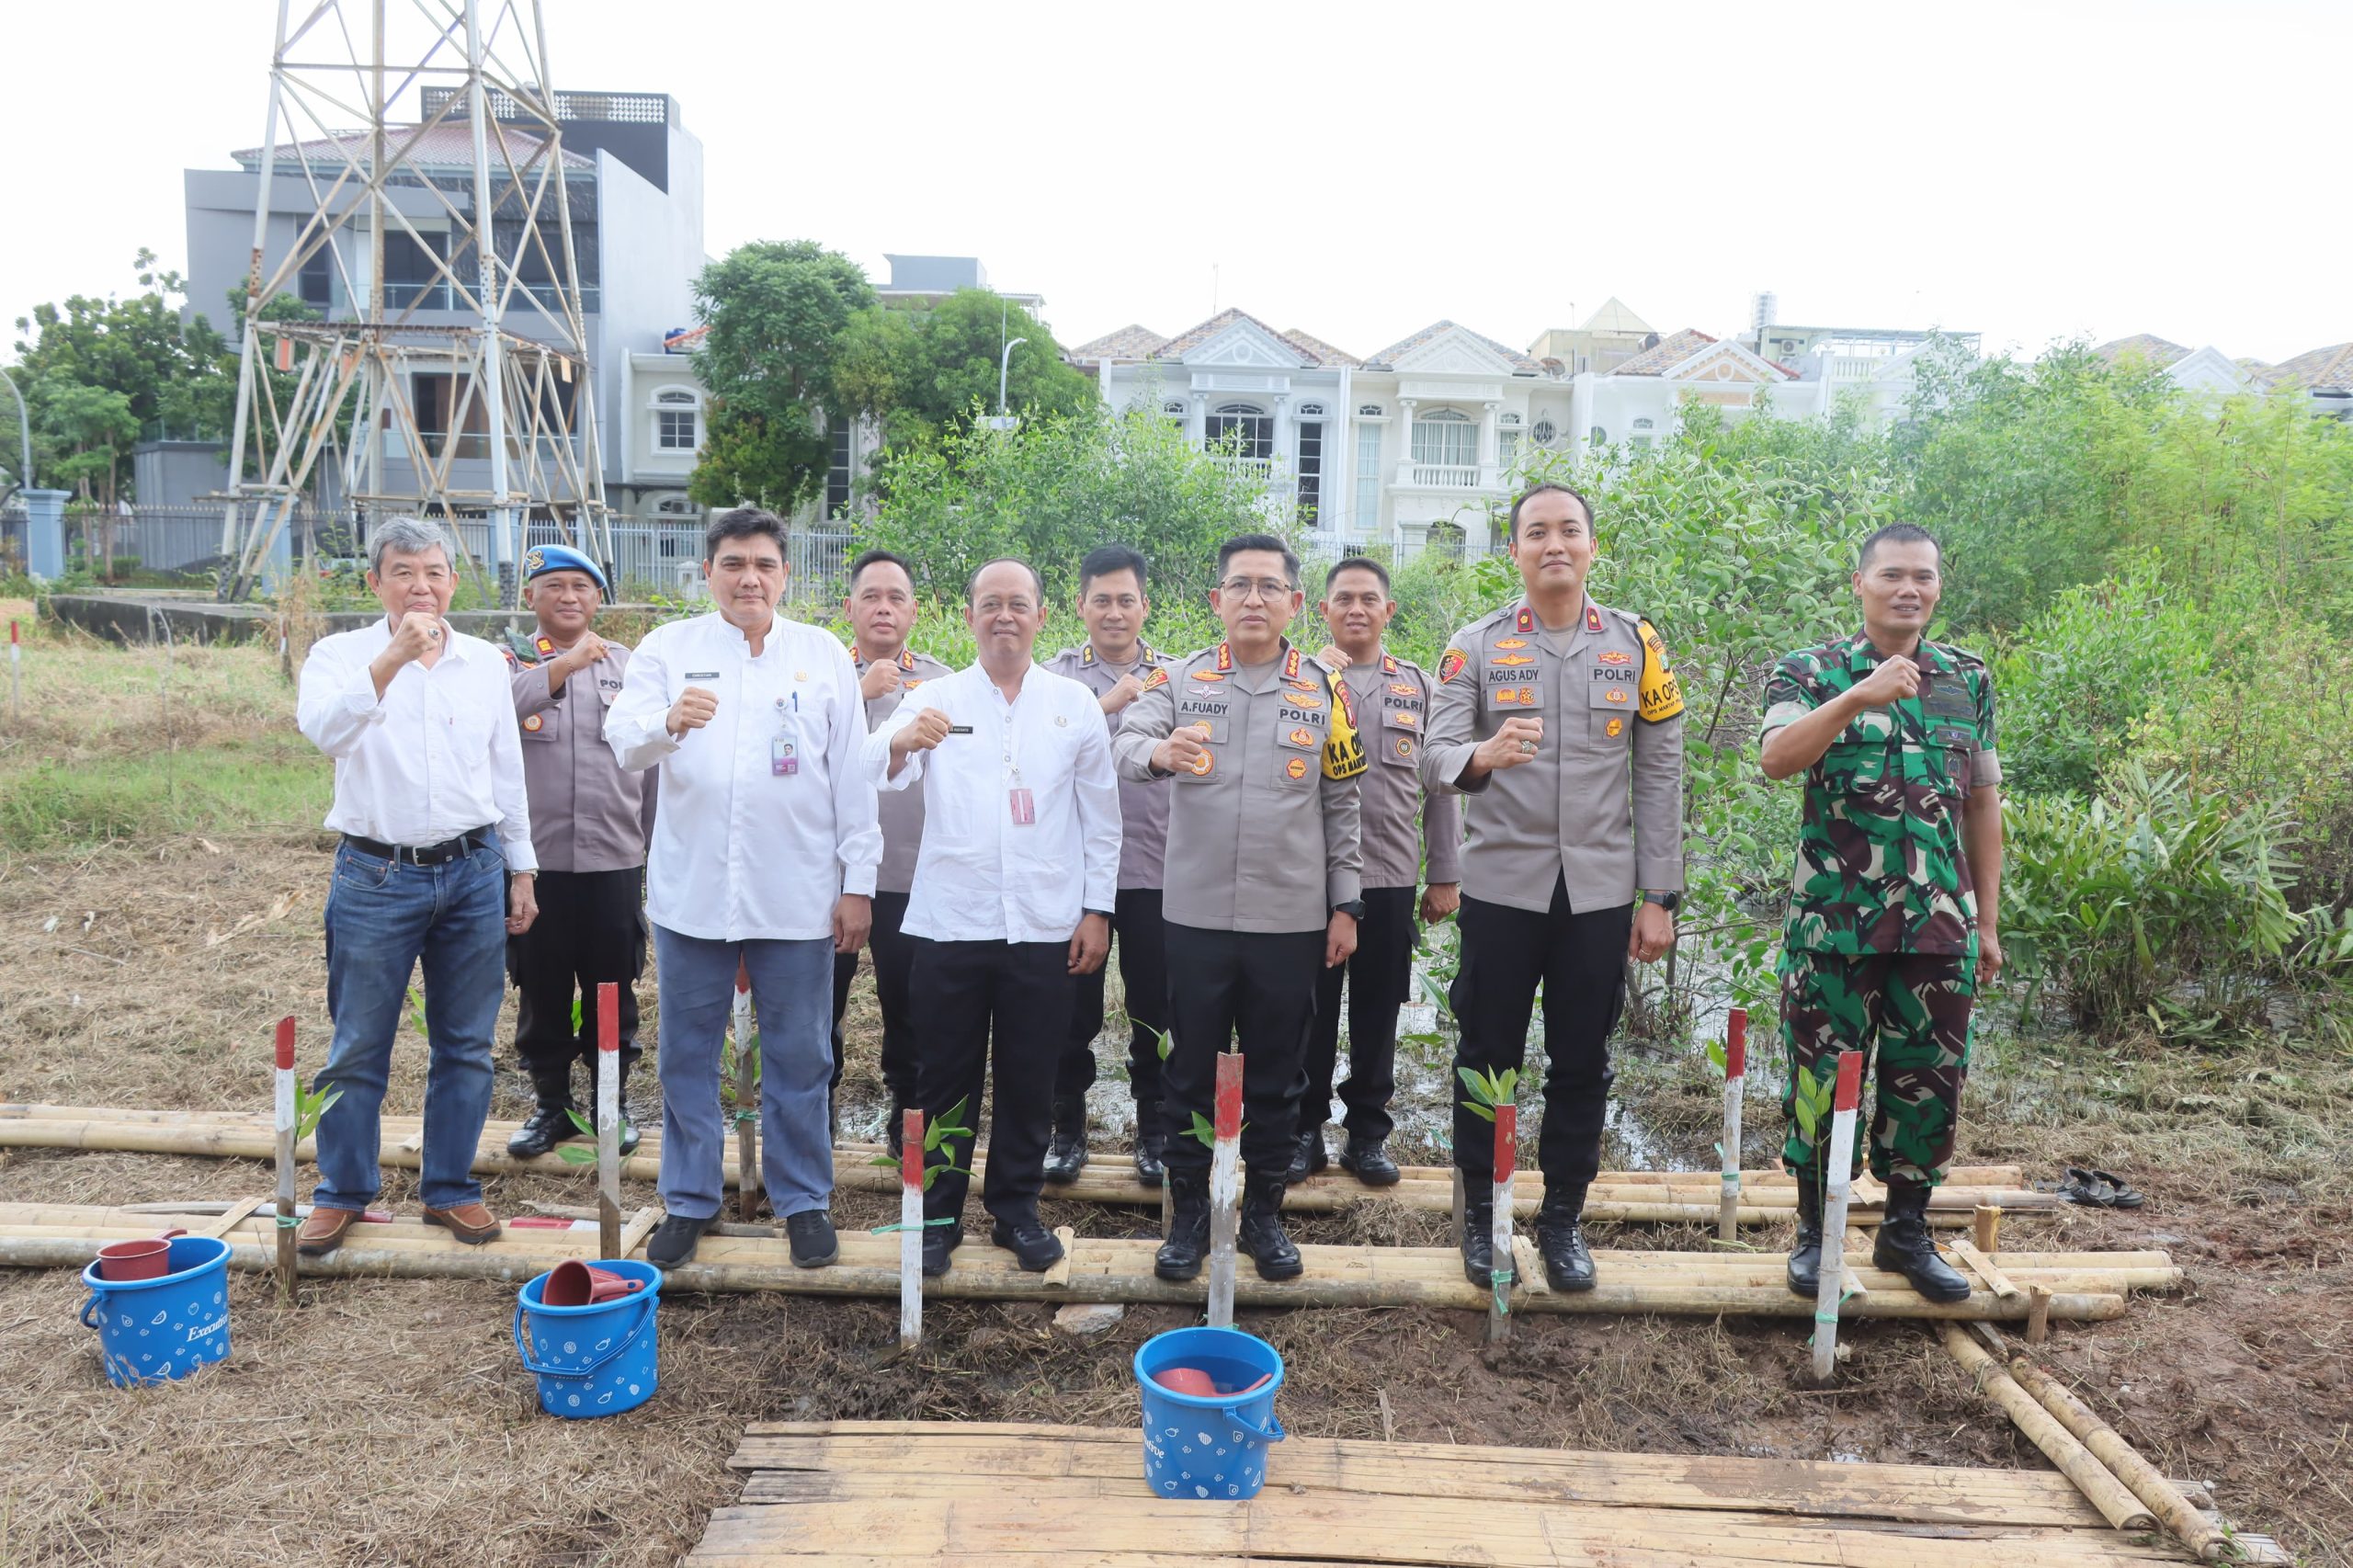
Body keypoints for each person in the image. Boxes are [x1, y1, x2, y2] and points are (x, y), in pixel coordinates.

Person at [1422, 483, 1686, 1293]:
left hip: (1600, 894)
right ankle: (1484, 1216)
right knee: (1487, 1052)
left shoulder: (1636, 645)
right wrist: (1481, 756)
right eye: (1537, 532)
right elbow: (1432, 755)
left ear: (1593, 546)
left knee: (1582, 1060)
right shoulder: (1475, 645)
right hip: (1503, 889)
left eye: (1570, 530)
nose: (1555, 545)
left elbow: (1661, 770)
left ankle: (1563, 1219)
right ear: (1516, 551)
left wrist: (1659, 895)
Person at [605, 507, 879, 1268]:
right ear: (708, 573)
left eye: (763, 563)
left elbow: (853, 779)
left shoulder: (822, 655)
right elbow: (624, 742)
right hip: (693, 895)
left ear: (786, 574)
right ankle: (689, 1200)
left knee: (800, 1054)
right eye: (733, 563)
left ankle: (802, 1201)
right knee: (687, 1055)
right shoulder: (668, 650)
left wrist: (859, 883)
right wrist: (667, 721)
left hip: (795, 894)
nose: (749, 577)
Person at [1758, 522, 2004, 1304]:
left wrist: (1987, 922)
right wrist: (1858, 695)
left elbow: (1982, 805)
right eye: (1894, 575)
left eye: (1924, 577)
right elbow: (1776, 759)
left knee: (1927, 1084)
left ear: (1938, 587)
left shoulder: (1968, 680)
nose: (1910, 589)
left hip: (1939, 927)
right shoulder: (1808, 671)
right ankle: (1816, 1234)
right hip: (1835, 926)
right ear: (1860, 583)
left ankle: (1905, 1234)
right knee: (1822, 1080)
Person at [1113, 533, 1365, 1283]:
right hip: (1191, 917)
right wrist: (1159, 754)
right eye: (1239, 586)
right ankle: (1192, 1214)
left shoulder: (1325, 690)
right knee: (1188, 1069)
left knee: (1278, 1074)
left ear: (1293, 601)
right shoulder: (1180, 678)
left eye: (1268, 586)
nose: (1253, 599)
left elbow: (1342, 802)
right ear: (1216, 600)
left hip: (1289, 920)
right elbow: (1125, 737)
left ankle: (1262, 1218)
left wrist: (1345, 903)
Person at [292, 516, 539, 1256]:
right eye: (404, 573)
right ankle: (341, 1192)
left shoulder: (486, 665)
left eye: (433, 572)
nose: (421, 586)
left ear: (453, 582)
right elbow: (326, 733)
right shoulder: (339, 655)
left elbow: (506, 772)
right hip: (375, 873)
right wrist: (391, 660)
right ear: (377, 584)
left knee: (465, 1044)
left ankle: (450, 1188)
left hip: (472, 871)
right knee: (358, 1042)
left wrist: (521, 869)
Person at [869, 558, 1120, 1276]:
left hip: (1044, 925)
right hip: (953, 922)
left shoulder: (1073, 705)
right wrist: (899, 742)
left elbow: (1101, 822)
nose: (1004, 616)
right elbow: (873, 765)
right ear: (969, 614)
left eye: (1018, 604)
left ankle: (1017, 1209)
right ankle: (938, 1218)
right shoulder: (933, 696)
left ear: (1043, 616)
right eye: (990, 604)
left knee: (1029, 1075)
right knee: (941, 1076)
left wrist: (1096, 910)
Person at [1294, 556, 1461, 1187]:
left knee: (1377, 1013)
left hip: (1389, 875)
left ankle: (1366, 1135)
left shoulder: (1417, 686)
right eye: (1344, 599)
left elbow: (1443, 784)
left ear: (1389, 611)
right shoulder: (1299, 680)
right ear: (1323, 609)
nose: (1356, 609)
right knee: (1306, 1010)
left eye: (1369, 599)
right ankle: (1301, 1131)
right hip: (1310, 878)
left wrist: (1444, 872)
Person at [502, 543, 654, 1161]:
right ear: (531, 598)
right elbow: (500, 715)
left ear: (598, 599)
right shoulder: (507, 664)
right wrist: (563, 667)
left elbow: (652, 764)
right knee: (540, 989)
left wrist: (656, 847)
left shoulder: (629, 668)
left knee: (611, 991)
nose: (569, 597)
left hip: (614, 859)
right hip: (533, 869)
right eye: (555, 586)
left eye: (581, 587)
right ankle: (550, 1106)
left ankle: (610, 1105)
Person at [1040, 545, 1176, 1185]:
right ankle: (1066, 1126)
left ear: (1146, 606)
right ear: (1080, 606)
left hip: (1156, 870)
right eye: (1102, 600)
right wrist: (1110, 701)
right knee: (1070, 1010)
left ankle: (1155, 1127)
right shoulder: (1055, 679)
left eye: (1127, 600)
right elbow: (1036, 751)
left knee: (1156, 1009)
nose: (1115, 612)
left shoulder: (1179, 678)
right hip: (1075, 876)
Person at [831, 548, 955, 1153]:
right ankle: (816, 1113)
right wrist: (857, 690)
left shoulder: (942, 682)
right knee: (819, 1001)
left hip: (909, 873)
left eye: (896, 598)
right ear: (850, 607)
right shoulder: (823, 673)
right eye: (871, 597)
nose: (883, 608)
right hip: (830, 875)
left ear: (914, 611)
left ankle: (908, 1116)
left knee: (910, 1004)